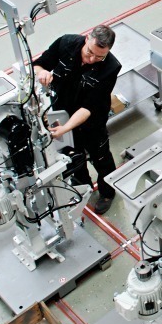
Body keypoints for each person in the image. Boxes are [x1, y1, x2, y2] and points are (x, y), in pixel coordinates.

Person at [32, 25, 122, 215]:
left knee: (101, 158)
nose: (91, 59)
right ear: (87, 38)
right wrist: (42, 72)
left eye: (99, 57)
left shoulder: (111, 67)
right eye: (89, 52)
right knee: (73, 156)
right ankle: (83, 185)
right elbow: (39, 64)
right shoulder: (66, 43)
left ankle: (107, 192)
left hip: (91, 122)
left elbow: (88, 108)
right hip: (62, 113)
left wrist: (66, 128)